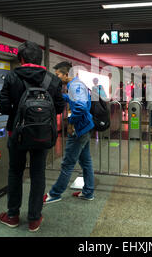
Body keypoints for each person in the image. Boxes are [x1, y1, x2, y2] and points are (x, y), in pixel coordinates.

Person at [0, 41, 65, 232]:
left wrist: (18, 112)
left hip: (16, 133)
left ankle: (12, 216)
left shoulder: (11, 76)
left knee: (15, 172)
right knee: (38, 173)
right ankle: (34, 218)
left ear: (21, 58)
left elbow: (2, 107)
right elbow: (59, 107)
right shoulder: (52, 79)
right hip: (42, 134)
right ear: (40, 59)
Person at [44, 61, 95, 204]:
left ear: (67, 74)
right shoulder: (75, 84)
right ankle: (88, 192)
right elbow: (75, 100)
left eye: (58, 74)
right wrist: (62, 97)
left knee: (67, 164)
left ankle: (55, 193)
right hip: (85, 127)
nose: (57, 77)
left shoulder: (75, 86)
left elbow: (80, 107)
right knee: (86, 162)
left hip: (79, 130)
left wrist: (71, 122)